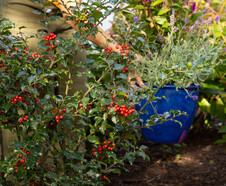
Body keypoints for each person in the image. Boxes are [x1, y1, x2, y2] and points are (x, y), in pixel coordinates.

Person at [0, 0, 142, 159]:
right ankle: (21, 180)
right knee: (26, 115)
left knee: (74, 110)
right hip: (24, 9)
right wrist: (118, 50)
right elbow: (70, 9)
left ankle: (66, 178)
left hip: (64, 17)